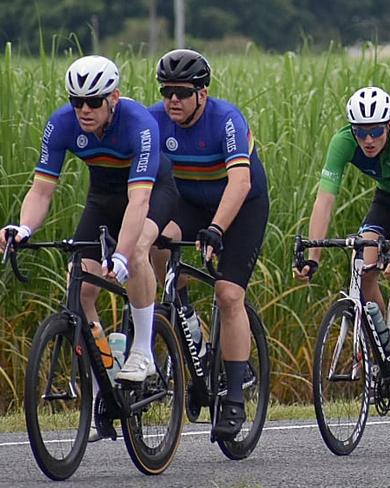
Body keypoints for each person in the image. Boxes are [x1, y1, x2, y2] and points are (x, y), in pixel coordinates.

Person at [0, 55, 177, 440]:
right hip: (102, 198)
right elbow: (43, 188)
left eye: (93, 101)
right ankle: (103, 391)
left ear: (113, 97)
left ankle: (143, 351)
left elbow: (139, 202)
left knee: (138, 249)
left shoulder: (139, 124)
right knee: (81, 293)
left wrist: (122, 253)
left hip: (150, 193)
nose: (83, 109)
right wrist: (24, 227)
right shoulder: (62, 123)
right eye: (76, 100)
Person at [293, 86, 390, 386]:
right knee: (365, 267)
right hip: (387, 197)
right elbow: (324, 200)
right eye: (360, 132)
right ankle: (385, 346)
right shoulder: (342, 142)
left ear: (388, 126)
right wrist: (313, 256)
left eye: (376, 131)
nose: (367, 140)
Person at [148, 49, 269, 441]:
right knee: (153, 246)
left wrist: (217, 228)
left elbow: (240, 183)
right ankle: (185, 329)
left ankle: (234, 395)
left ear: (203, 92)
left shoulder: (226, 120)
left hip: (240, 206)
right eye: (167, 92)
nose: (173, 102)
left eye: (182, 93)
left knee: (228, 294)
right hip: (190, 203)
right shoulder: (154, 120)